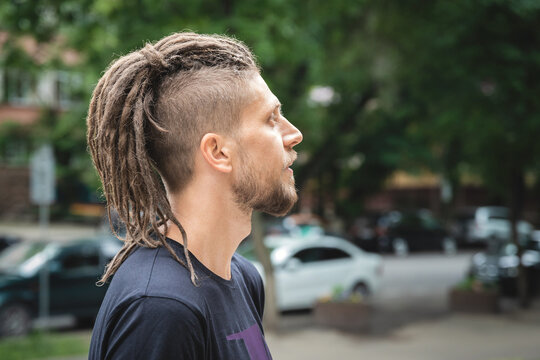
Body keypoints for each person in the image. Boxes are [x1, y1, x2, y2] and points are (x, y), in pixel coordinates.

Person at [86, 32, 302, 360]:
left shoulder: (244, 278)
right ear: (218, 152)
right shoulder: (160, 308)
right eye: (271, 119)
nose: (293, 134)